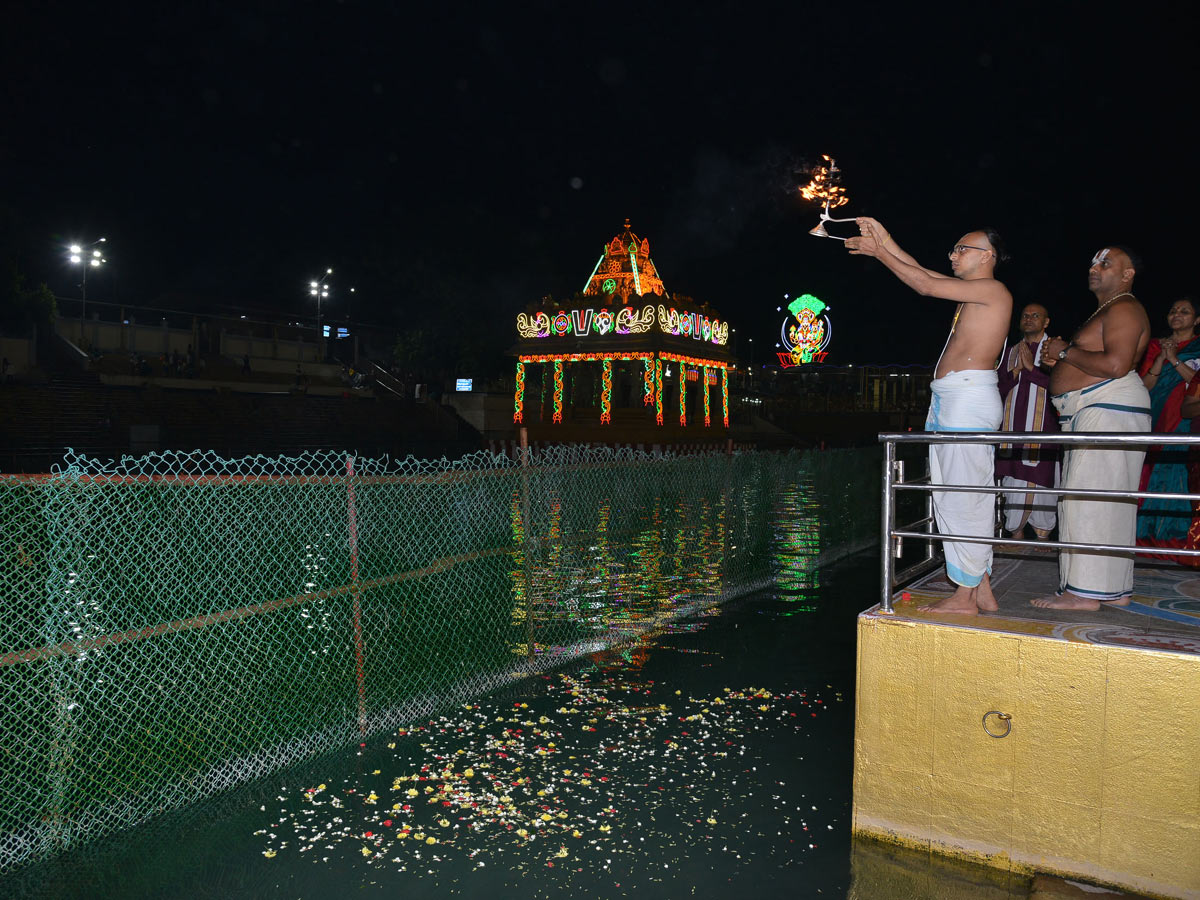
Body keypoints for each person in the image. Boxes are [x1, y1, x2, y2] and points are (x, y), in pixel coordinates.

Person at [847, 219, 1012, 614]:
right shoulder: (973, 294)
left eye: (962, 248)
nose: (953, 254)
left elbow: (923, 285)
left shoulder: (993, 290)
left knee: (962, 497)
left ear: (988, 255)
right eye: (954, 248)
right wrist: (886, 239)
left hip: (967, 402)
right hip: (952, 400)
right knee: (954, 492)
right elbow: (923, 274)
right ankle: (981, 584)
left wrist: (878, 253)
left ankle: (965, 596)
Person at [1033, 247, 1151, 610]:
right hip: (1096, 410)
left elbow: (1116, 364)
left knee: (1087, 502)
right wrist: (1060, 359)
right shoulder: (1110, 309)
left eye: (1105, 263)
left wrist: (1065, 352)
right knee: (1105, 502)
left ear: (1128, 273)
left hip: (1107, 407)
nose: (1094, 267)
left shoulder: (1125, 307)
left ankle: (1082, 594)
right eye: (1093, 262)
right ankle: (1113, 589)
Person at [1136, 296, 1200, 555]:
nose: (1177, 315)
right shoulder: (1155, 346)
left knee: (1180, 475)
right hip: (1159, 417)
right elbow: (1144, 387)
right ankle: (1147, 535)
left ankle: (1175, 538)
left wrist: (1174, 358)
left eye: (1184, 312)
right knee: (1153, 473)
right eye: (1173, 310)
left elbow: (1196, 381)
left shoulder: (1197, 348)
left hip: (1187, 419)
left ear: (1197, 320)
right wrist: (1162, 358)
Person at [996, 303, 1060, 543]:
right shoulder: (1009, 351)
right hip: (1013, 430)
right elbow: (998, 388)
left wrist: (1031, 369)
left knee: (1043, 481)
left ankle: (1043, 535)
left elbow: (1060, 385)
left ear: (1046, 322)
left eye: (1036, 316)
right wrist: (1015, 373)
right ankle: (1016, 532)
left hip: (1044, 430)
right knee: (1014, 481)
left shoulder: (1054, 350)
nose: (1029, 319)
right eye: (1025, 315)